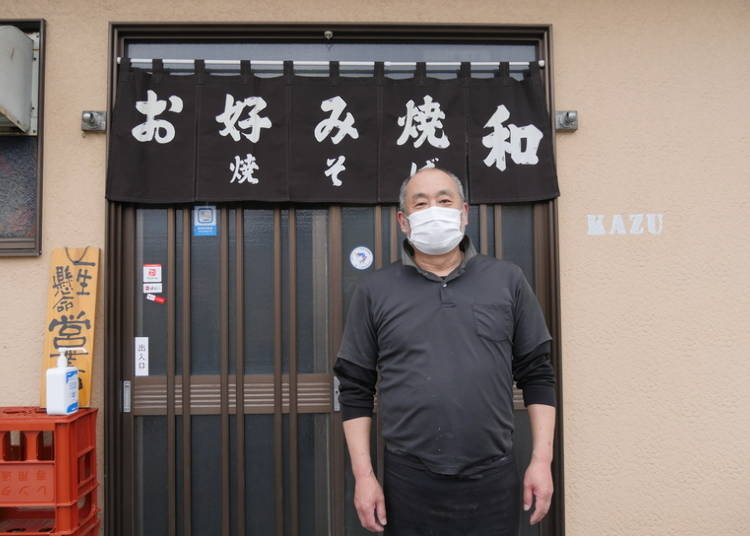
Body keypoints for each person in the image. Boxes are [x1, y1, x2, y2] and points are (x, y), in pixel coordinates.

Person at [333, 167, 556, 535]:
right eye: (420, 203)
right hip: (409, 479)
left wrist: (541, 460)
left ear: (464, 213)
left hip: (494, 475)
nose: (433, 210)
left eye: (444, 200)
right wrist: (364, 476)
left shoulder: (507, 280)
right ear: (403, 221)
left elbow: (538, 374)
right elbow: (355, 388)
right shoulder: (375, 290)